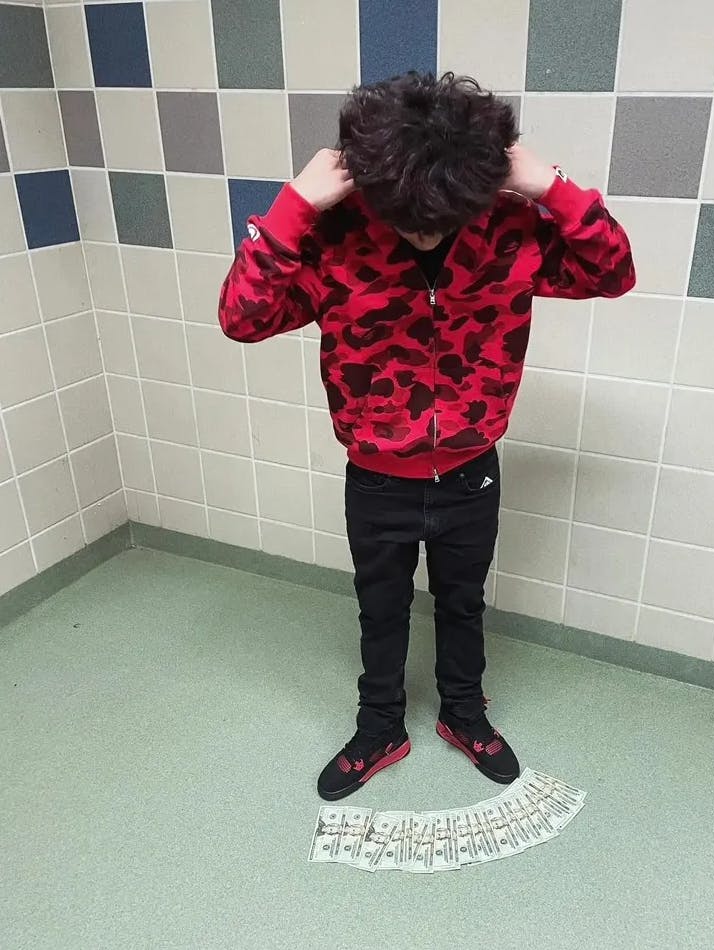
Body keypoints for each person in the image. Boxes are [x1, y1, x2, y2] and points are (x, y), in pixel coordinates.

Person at [218, 72, 635, 802]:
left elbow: (614, 271)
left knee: (462, 604)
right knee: (380, 609)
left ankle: (464, 714)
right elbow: (242, 318)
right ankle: (380, 725)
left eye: (442, 219)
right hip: (375, 477)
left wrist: (549, 185)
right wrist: (293, 207)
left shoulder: (508, 229)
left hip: (472, 471)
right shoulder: (333, 238)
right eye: (407, 219)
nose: (425, 233)